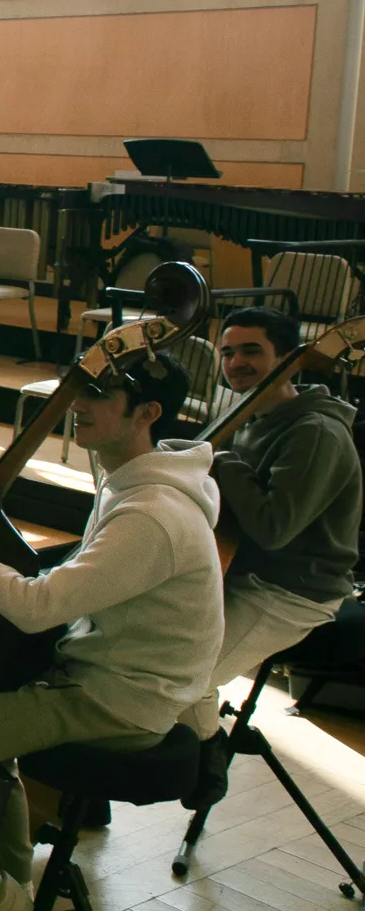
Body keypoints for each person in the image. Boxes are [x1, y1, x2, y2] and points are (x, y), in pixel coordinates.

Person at [0, 355, 220, 911]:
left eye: (101, 396)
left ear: (148, 413)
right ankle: (13, 872)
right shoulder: (137, 484)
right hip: (110, 679)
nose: (78, 405)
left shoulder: (152, 515)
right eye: (82, 390)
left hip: (117, 701)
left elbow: (38, 608)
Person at [186, 308, 361, 753]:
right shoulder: (255, 415)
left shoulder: (315, 431)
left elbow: (273, 528)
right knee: (142, 652)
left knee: (184, 676)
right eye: (227, 352)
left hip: (291, 591)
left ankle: (203, 764)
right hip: (244, 571)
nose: (235, 362)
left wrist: (222, 461)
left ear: (287, 357)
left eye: (251, 351)